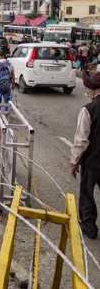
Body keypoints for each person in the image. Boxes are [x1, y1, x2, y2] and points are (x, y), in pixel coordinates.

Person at [71, 71, 100, 239]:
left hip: (92, 161)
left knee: (87, 193)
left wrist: (74, 162)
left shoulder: (88, 109)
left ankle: (89, 227)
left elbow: (81, 140)